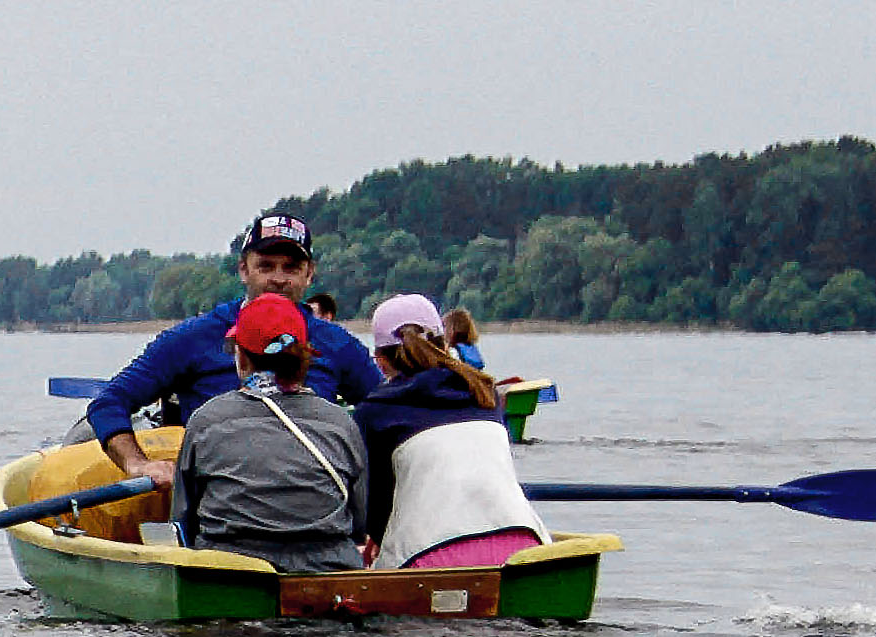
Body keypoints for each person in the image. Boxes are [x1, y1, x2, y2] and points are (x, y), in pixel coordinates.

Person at [85, 213, 378, 490]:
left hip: (312, 506)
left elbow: (385, 409)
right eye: (265, 266)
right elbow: (109, 403)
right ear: (243, 270)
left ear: (309, 274)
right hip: (217, 510)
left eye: (291, 268)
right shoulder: (191, 338)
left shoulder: (339, 344)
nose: (278, 279)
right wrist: (137, 464)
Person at [170, 295, 367, 571]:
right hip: (327, 569)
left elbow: (183, 517)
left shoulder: (206, 419)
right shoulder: (340, 421)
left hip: (230, 570)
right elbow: (359, 523)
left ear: (241, 357)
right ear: (304, 357)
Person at [353, 294, 550, 569]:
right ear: (444, 345)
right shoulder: (486, 392)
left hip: (428, 556)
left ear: (380, 360)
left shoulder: (374, 411)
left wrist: (375, 536)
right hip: (524, 545)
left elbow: (376, 505)